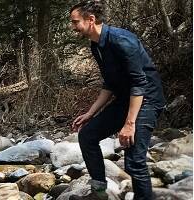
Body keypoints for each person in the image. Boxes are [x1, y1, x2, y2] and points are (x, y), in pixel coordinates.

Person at [69, 1, 165, 200]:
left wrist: (130, 124)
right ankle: (100, 192)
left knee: (134, 161)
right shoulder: (96, 46)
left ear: (91, 20)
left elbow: (139, 83)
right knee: (87, 134)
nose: (73, 27)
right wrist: (90, 113)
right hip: (125, 98)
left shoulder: (121, 40)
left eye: (75, 22)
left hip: (146, 99)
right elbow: (110, 84)